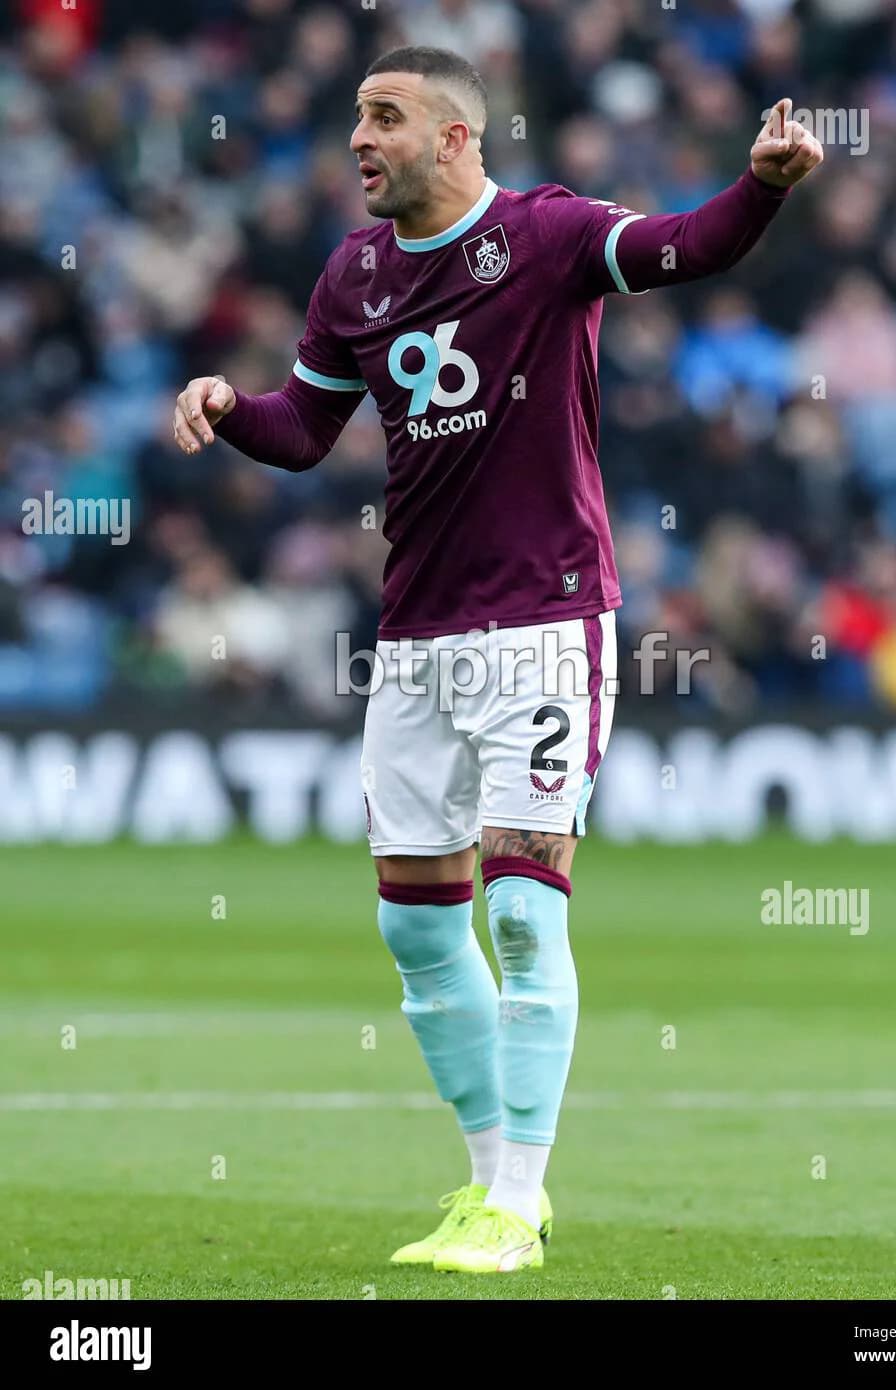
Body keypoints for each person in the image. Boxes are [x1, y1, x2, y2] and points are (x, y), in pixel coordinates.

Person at [172, 45, 823, 1275]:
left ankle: (519, 1201)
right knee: (419, 935)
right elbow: (306, 431)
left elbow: (689, 246)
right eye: (355, 117)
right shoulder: (352, 272)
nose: (358, 138)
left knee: (522, 913)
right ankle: (483, 1187)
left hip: (542, 620)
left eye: (385, 117)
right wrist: (225, 405)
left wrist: (766, 186)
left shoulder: (550, 234)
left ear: (456, 138)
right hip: (413, 642)